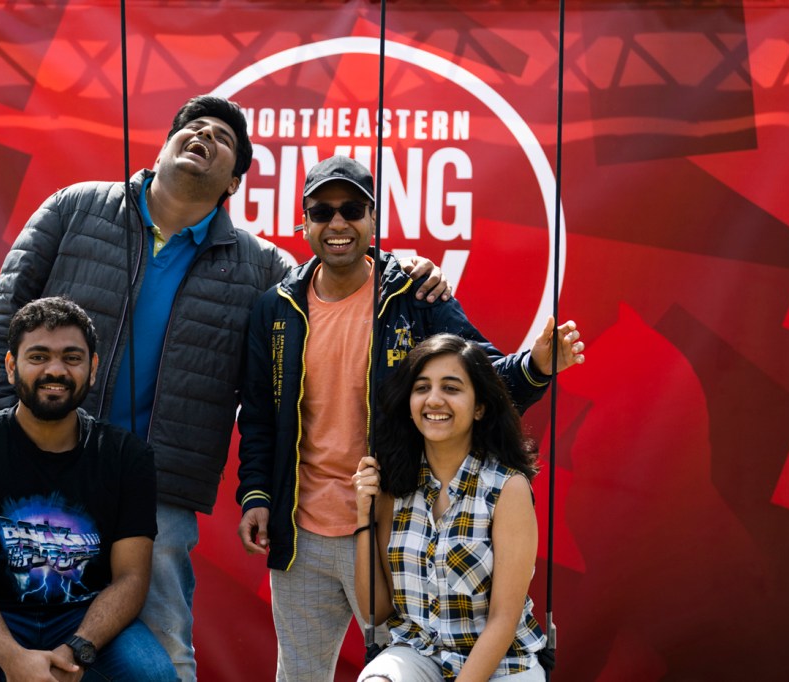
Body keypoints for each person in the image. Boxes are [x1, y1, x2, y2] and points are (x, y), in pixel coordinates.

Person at [0, 96, 450, 681]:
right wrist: (4, 445)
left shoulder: (262, 269)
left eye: (222, 138)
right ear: (165, 146)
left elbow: (339, 284)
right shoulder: (74, 208)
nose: (203, 135)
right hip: (40, 462)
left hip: (159, 488)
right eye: (191, 127)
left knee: (163, 654)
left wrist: (411, 271)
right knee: (13, 639)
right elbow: (1, 323)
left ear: (235, 183)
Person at [236, 155, 583, 681]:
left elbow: (482, 378)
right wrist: (257, 494)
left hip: (391, 527)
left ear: (373, 219)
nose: (337, 224)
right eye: (322, 211)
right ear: (303, 222)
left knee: (401, 668)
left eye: (351, 209)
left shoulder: (413, 293)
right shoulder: (276, 308)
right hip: (299, 534)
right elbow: (259, 414)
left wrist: (536, 366)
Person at [0, 297, 176, 681]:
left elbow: (131, 578)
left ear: (92, 369)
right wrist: (13, 658)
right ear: (12, 367)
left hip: (85, 615)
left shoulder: (128, 457)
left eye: (72, 358)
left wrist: (78, 648)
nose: (55, 370)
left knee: (153, 674)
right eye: (38, 356)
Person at [353, 334, 547, 681]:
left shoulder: (508, 488)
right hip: (419, 654)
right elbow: (376, 611)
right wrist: (362, 517)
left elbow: (503, 620)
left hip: (502, 664)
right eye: (422, 387)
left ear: (479, 407)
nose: (434, 400)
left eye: (451, 388)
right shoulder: (393, 486)